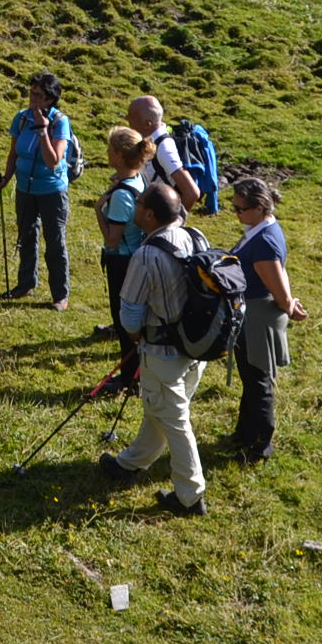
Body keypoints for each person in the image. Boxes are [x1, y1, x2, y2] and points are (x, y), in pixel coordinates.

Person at [98, 183, 210, 515]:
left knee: (174, 419)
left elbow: (130, 314)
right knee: (161, 407)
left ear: (148, 214)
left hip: (163, 352)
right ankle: (130, 464)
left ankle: (191, 496)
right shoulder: (195, 237)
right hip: (196, 347)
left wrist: (136, 338)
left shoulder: (147, 254)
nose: (133, 209)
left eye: (139, 204)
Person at [223, 175, 307, 461]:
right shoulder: (262, 229)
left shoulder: (264, 242)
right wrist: (289, 301)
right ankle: (245, 434)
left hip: (258, 320)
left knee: (258, 381)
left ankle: (259, 445)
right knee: (252, 378)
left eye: (240, 209)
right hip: (252, 315)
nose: (236, 214)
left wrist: (289, 304)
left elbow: (275, 279)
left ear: (260, 207)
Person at [0, 72, 71, 308]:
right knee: (26, 236)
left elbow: (52, 161)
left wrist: (42, 130)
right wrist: (6, 177)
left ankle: (60, 295)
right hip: (25, 188)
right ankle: (25, 284)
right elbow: (14, 152)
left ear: (50, 99)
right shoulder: (21, 118)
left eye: (38, 95)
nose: (32, 99)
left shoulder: (59, 122)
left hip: (52, 191)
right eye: (31, 93)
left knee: (54, 241)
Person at [91, 125, 151, 392]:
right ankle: (138, 373)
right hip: (136, 258)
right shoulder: (139, 181)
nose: (106, 152)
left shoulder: (120, 196)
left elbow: (113, 239)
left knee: (124, 319)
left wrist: (98, 211)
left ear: (117, 154)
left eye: (109, 148)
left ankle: (130, 377)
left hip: (121, 262)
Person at [127, 95, 202, 210]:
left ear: (147, 124)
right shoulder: (152, 139)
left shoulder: (164, 148)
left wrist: (172, 224)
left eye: (131, 117)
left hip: (158, 220)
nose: (127, 120)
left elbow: (192, 193)